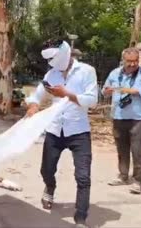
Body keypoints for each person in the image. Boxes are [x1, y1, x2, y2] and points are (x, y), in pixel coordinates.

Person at [25, 39, 98, 228]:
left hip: (79, 131)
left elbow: (92, 100)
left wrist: (67, 94)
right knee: (46, 170)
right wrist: (33, 105)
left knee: (83, 177)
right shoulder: (51, 74)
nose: (53, 64)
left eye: (55, 59)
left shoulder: (87, 71)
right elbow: (38, 95)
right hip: (55, 130)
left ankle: (81, 218)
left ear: (66, 53)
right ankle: (50, 187)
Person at [102, 47, 141, 194]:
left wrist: (136, 91)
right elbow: (105, 91)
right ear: (123, 60)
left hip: (139, 119)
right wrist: (106, 91)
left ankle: (137, 181)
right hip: (119, 117)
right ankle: (123, 175)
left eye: (135, 61)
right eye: (129, 61)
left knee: (138, 151)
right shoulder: (115, 73)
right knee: (122, 149)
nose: (133, 64)